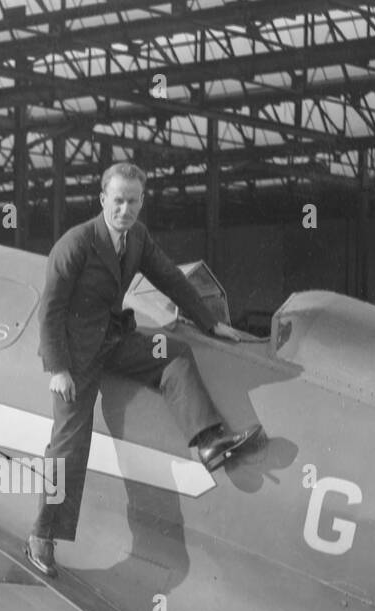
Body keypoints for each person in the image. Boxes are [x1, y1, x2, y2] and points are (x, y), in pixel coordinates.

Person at [25, 162, 263, 579]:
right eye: (118, 200)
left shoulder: (137, 239)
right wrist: (58, 368)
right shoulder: (76, 243)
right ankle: (42, 536)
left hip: (114, 340)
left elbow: (170, 277)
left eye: (133, 201)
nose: (125, 209)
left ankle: (208, 440)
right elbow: (50, 310)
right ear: (103, 200)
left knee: (174, 354)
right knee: (68, 444)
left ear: (141, 202)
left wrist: (210, 322)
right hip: (76, 355)